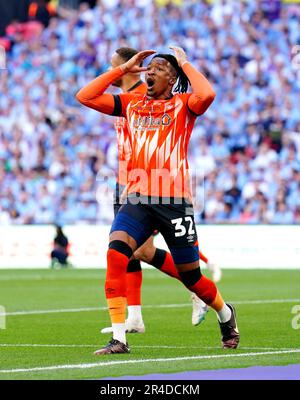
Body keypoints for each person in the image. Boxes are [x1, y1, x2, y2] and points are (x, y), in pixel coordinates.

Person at [76, 46, 239, 355]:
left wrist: (186, 63)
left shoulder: (183, 105)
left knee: (192, 277)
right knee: (116, 254)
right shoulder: (132, 103)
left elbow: (207, 94)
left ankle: (224, 312)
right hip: (137, 199)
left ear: (173, 77)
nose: (151, 71)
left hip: (174, 201)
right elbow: (84, 96)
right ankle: (120, 338)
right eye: (149, 68)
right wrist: (122, 70)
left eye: (160, 68)